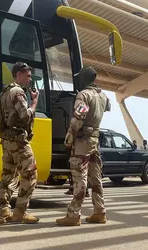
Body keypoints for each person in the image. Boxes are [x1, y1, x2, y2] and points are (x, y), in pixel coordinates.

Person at [56, 66, 111, 226]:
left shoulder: (83, 95)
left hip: (82, 142)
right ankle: (100, 212)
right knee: (96, 178)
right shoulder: (103, 96)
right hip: (95, 141)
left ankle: (73, 215)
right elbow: (107, 108)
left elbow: (78, 117)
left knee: (80, 178)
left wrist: (69, 138)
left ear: (83, 79)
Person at [0, 62, 40, 225]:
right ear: (19, 74)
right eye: (28, 76)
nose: (29, 80)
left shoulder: (4, 93)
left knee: (8, 176)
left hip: (6, 141)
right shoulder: (18, 92)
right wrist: (34, 103)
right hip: (18, 142)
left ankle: (3, 212)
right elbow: (25, 116)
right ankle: (21, 211)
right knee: (30, 174)